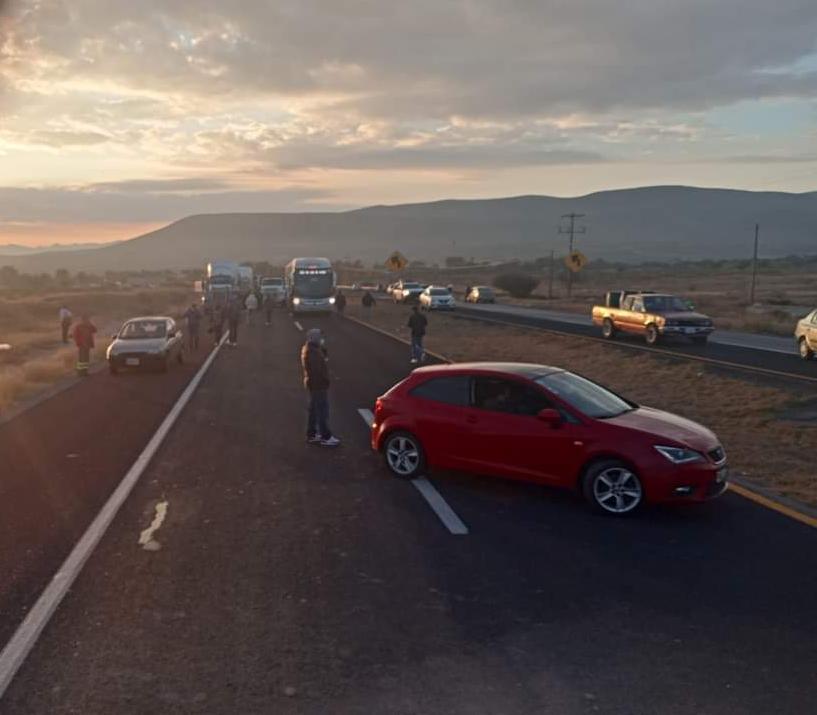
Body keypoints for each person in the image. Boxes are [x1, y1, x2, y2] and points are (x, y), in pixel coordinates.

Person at [300, 328, 339, 447]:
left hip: (314, 384)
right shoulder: (312, 352)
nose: (321, 340)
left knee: (313, 410)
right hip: (318, 385)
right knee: (322, 411)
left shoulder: (312, 349)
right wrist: (325, 380)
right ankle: (325, 436)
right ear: (314, 338)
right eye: (319, 337)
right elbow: (317, 370)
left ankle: (311, 434)